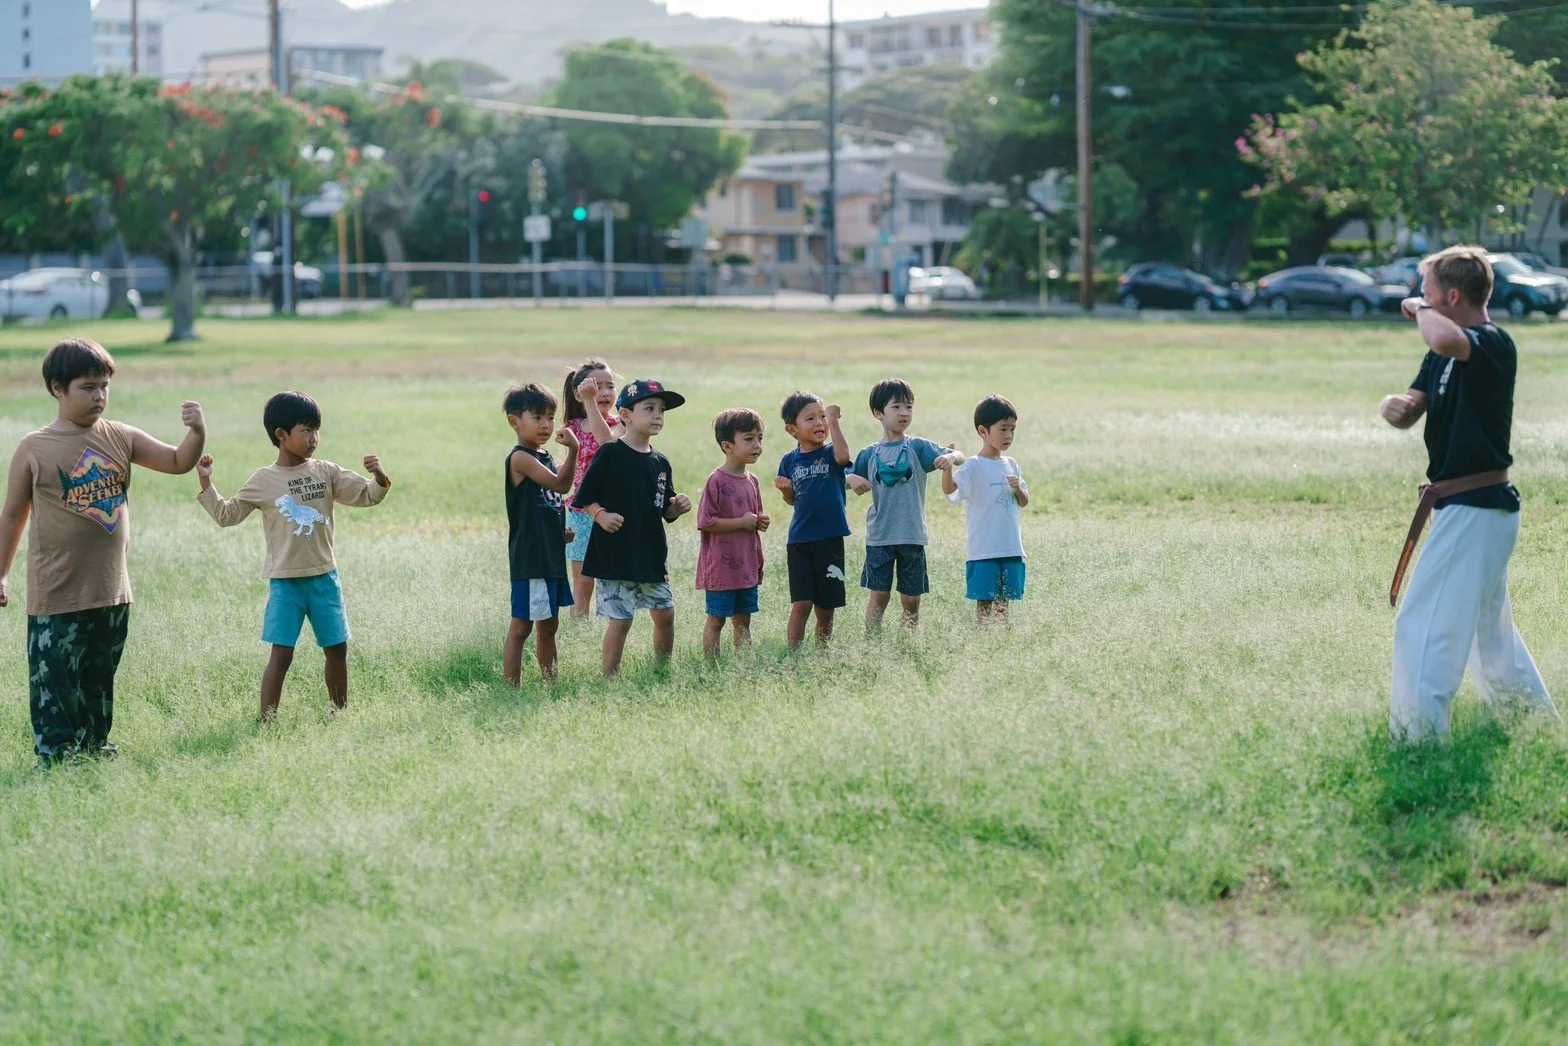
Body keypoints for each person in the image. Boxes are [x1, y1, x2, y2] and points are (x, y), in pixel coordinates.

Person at [1380, 245, 1559, 741]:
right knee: (1489, 637)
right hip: (1466, 511)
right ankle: (1532, 727)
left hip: (1477, 510)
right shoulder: (1443, 348)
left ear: (1451, 296)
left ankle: (1416, 742)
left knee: (1423, 627)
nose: (1421, 299)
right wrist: (1396, 408)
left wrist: (1419, 309)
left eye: (1429, 291)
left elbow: (1441, 338)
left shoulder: (1492, 343)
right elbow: (1415, 403)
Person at [0, 336, 206, 762]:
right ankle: (57, 755)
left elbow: (177, 461)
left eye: (104, 386)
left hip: (112, 592)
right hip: (57, 593)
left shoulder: (120, 436)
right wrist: (1, 573)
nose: (99, 396)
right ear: (58, 388)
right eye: (87, 387)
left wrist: (197, 432)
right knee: (55, 679)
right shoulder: (33, 448)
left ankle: (95, 745)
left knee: (99, 677)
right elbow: (11, 516)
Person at [195, 391, 390, 722]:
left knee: (337, 648)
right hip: (286, 582)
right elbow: (227, 515)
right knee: (282, 653)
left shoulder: (325, 472)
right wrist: (206, 482)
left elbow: (368, 496)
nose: (314, 438)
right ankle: (268, 721)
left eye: (316, 430)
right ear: (281, 436)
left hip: (325, 578)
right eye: (306, 430)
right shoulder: (264, 480)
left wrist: (380, 477)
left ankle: (339, 714)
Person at [571, 379, 692, 677]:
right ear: (625, 415)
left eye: (661, 410)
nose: (657, 415)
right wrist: (600, 515)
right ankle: (609, 678)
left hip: (649, 553)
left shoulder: (660, 462)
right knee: (621, 620)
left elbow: (664, 509)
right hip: (616, 553)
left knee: (665, 614)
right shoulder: (611, 452)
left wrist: (675, 508)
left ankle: (662, 671)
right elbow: (585, 496)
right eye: (648, 408)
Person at [849, 377, 963, 632]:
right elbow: (841, 480)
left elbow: (959, 456)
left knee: (911, 599)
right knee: (879, 596)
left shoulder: (917, 447)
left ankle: (908, 640)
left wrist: (950, 457)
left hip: (912, 534)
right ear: (878, 413)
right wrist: (850, 477)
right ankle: (871, 643)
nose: (904, 413)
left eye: (909, 407)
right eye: (897, 407)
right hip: (880, 536)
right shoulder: (869, 453)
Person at [776, 391, 869, 650]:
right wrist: (785, 491)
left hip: (830, 538)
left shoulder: (830, 453)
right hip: (800, 541)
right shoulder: (789, 460)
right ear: (791, 429)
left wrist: (835, 421)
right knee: (802, 602)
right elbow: (793, 500)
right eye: (810, 419)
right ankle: (793, 653)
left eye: (822, 417)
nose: (819, 423)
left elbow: (843, 458)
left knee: (826, 607)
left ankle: (822, 652)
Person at [503, 383, 579, 686]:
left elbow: (547, 503)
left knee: (549, 625)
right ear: (514, 421)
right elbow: (562, 486)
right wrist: (574, 449)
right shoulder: (521, 458)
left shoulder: (543, 455)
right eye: (537, 417)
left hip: (550, 555)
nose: (546, 425)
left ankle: (552, 685)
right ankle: (512, 691)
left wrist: (559, 533)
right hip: (531, 558)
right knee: (522, 627)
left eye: (550, 417)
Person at [943, 395, 1029, 623]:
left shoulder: (1011, 464)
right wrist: (947, 466)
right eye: (1003, 429)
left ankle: (1001, 638)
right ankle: (983, 637)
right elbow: (951, 491)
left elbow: (1024, 501)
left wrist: (1018, 489)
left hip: (1010, 546)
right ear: (983, 431)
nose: (1009, 435)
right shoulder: (974, 465)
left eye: (1012, 429)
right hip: (984, 549)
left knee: (1004, 602)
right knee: (984, 600)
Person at [697, 408, 769, 660]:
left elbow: (752, 517)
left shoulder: (753, 480)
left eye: (760, 438)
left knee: (743, 620)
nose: (757, 445)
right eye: (749, 439)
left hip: (746, 565)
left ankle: (744, 664)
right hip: (721, 567)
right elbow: (706, 521)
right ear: (727, 446)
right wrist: (741, 522)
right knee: (717, 620)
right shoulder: (715, 481)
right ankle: (712, 666)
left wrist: (759, 522)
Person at [561, 359, 623, 619]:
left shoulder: (621, 424)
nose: (606, 392)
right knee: (583, 580)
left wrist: (590, 402)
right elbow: (568, 467)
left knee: (612, 577)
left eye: (610, 386)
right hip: (580, 511)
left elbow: (605, 442)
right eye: (597, 386)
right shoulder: (573, 427)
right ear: (579, 393)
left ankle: (613, 625)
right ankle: (580, 629)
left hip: (612, 510)